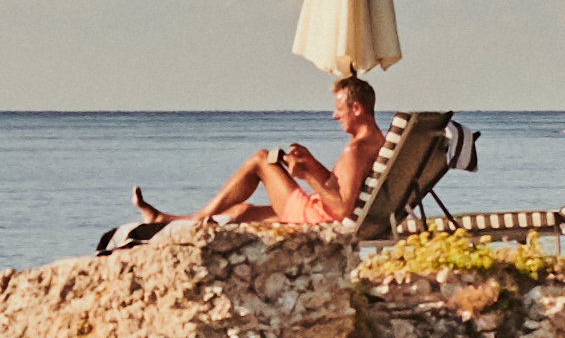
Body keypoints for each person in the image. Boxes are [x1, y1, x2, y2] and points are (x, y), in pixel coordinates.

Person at [110, 73, 383, 248]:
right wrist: (311, 162)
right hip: (319, 210)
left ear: (356, 108)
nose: (335, 116)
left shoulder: (355, 150)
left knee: (261, 159)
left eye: (339, 109)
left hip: (316, 216)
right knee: (242, 212)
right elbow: (341, 188)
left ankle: (200, 218)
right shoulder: (374, 142)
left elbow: (344, 208)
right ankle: (163, 219)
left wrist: (306, 176)